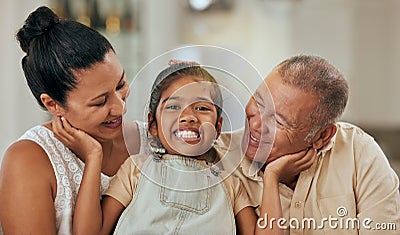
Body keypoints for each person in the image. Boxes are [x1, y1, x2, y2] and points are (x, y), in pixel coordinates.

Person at [0, 6, 149, 234]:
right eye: (100, 102)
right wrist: (93, 156)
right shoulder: (28, 160)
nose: (120, 107)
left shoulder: (153, 140)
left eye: (121, 85)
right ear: (53, 104)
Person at [221, 54, 400, 234]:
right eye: (259, 103)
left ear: (321, 136)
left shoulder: (359, 153)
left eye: (278, 121)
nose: (256, 124)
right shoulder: (216, 159)